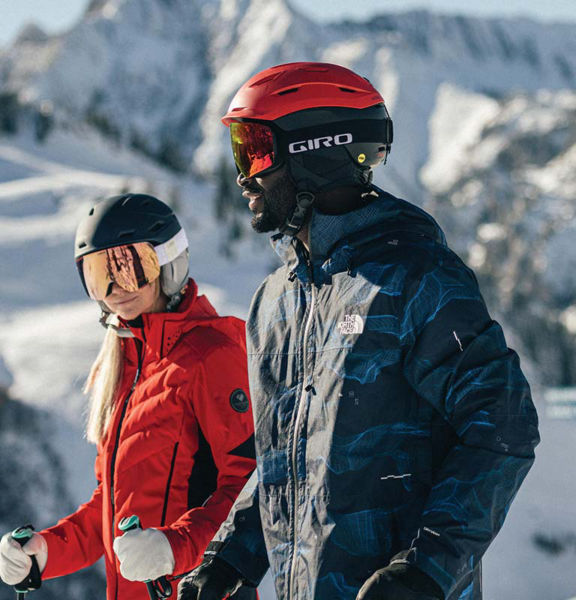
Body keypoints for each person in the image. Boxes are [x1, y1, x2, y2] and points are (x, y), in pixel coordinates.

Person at [177, 62, 540, 600]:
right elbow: (287, 457)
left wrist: (425, 571)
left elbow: (503, 426)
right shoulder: (275, 302)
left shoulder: (415, 277)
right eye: (239, 150)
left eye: (254, 149)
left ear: (315, 151)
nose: (243, 176)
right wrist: (231, 558)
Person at [0, 193, 257, 600]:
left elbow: (249, 487)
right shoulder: (122, 366)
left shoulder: (212, 354)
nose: (116, 289)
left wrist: (175, 548)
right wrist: (43, 552)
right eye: (100, 274)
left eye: (131, 267)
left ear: (169, 263)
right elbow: (111, 506)